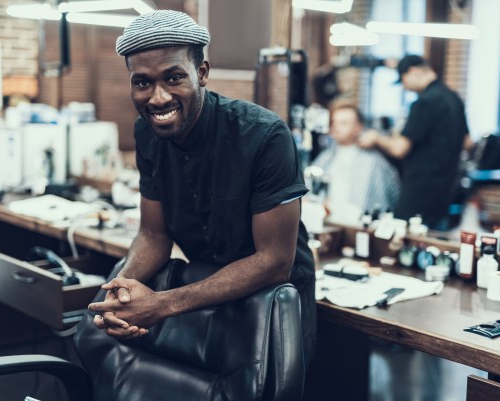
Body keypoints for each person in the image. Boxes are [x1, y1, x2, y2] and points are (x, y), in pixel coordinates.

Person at [87, 10, 316, 366]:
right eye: (143, 82)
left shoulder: (264, 135)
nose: (158, 98)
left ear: (202, 73)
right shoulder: (146, 133)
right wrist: (118, 290)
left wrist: (161, 304)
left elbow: (274, 261)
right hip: (204, 295)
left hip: (273, 304)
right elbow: (153, 234)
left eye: (174, 77)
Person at [358, 55, 469, 229]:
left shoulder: (424, 103)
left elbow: (399, 149)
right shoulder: (454, 99)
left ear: (413, 72)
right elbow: (467, 142)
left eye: (403, 80)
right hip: (446, 188)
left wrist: (376, 137)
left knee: (407, 239)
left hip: (421, 189)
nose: (404, 87)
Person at [310, 101, 400, 223]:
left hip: (356, 227)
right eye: (333, 122)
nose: (335, 127)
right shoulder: (325, 157)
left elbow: (386, 200)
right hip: (329, 224)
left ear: (359, 126)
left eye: (343, 123)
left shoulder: (373, 161)